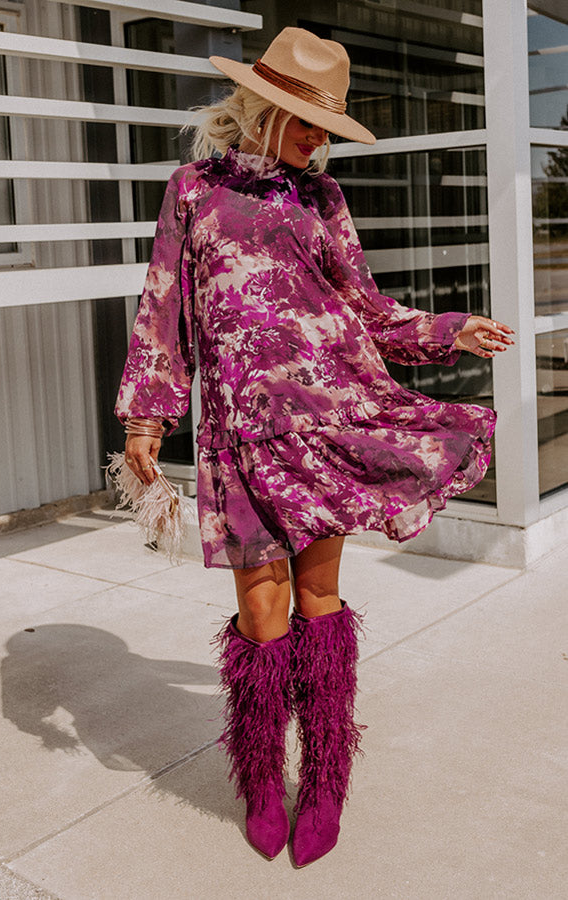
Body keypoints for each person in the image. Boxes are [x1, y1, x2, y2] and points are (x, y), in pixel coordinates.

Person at [114, 27, 514, 866]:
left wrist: (447, 329)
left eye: (325, 127)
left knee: (318, 599)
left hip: (323, 424)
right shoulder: (193, 190)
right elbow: (163, 306)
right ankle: (262, 778)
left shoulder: (320, 198)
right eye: (304, 122)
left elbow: (365, 308)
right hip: (237, 434)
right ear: (261, 107)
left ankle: (325, 777)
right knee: (261, 614)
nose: (315, 140)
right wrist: (147, 418)